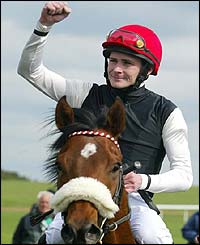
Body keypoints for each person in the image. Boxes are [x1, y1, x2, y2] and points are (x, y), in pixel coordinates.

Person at [17, 1, 193, 244]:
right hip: (81, 193)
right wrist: (43, 26)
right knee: (55, 236)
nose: (117, 69)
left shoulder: (166, 111)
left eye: (127, 63)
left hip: (132, 198)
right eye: (113, 61)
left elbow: (184, 176)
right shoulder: (85, 93)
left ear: (146, 70)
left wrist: (144, 180)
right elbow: (30, 71)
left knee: (153, 237)